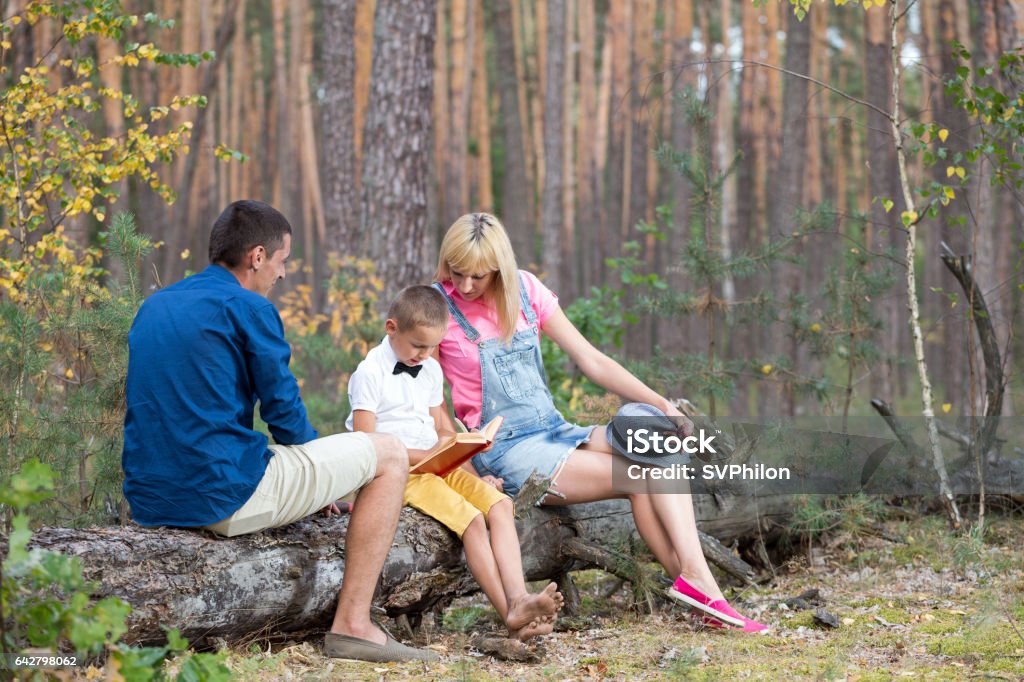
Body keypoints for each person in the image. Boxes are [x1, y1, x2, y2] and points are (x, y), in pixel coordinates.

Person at [121, 200, 438, 662]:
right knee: (388, 452)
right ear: (256, 257)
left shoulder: (154, 306)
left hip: (152, 500)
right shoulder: (249, 307)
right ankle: (354, 625)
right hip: (220, 497)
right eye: (282, 260)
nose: (283, 273)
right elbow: (285, 417)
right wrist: (330, 479)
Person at [431, 212, 767, 633]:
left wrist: (664, 404)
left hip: (554, 429)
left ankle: (698, 590)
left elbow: (590, 359)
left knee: (658, 444)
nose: (464, 286)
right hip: (506, 450)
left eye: (477, 276)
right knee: (643, 477)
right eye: (457, 272)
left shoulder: (526, 290)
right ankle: (702, 588)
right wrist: (465, 470)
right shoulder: (436, 307)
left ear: (499, 266)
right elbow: (432, 405)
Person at [346, 285, 563, 641]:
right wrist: (433, 456)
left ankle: (520, 596)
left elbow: (443, 428)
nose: (425, 354)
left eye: (432, 347)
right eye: (418, 346)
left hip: (439, 465)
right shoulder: (369, 374)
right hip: (402, 473)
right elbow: (366, 445)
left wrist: (468, 455)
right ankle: (509, 613)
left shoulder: (429, 369)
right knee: (474, 521)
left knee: (500, 505)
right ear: (391, 328)